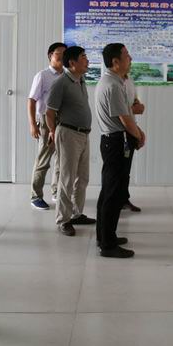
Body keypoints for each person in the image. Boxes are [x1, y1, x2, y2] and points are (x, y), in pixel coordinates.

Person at [95, 43, 145, 258]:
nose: (130, 58)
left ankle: (106, 237)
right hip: (116, 142)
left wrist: (138, 132)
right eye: (126, 55)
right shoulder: (113, 85)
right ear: (115, 61)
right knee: (113, 193)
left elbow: (128, 114)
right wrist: (138, 135)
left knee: (110, 191)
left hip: (114, 140)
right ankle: (108, 245)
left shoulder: (114, 81)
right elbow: (125, 119)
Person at [46, 46, 96, 236]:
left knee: (82, 177)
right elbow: (49, 112)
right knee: (67, 178)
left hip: (83, 134)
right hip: (68, 134)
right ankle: (63, 220)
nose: (87, 60)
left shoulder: (80, 80)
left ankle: (76, 214)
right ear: (72, 63)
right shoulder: (61, 83)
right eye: (83, 57)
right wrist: (52, 132)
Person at [27, 42, 66, 210]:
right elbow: (31, 100)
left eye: (65, 53)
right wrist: (32, 125)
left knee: (61, 159)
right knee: (43, 159)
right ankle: (36, 196)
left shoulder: (67, 76)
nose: (62, 56)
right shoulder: (42, 76)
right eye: (58, 53)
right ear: (50, 55)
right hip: (45, 120)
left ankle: (56, 192)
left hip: (64, 120)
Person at [122, 71, 144, 212]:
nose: (130, 61)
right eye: (128, 59)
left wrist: (137, 105)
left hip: (130, 129)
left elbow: (134, 101)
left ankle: (123, 199)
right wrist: (137, 134)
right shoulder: (112, 83)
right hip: (119, 133)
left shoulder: (129, 79)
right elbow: (119, 111)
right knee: (116, 171)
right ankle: (113, 203)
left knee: (126, 169)